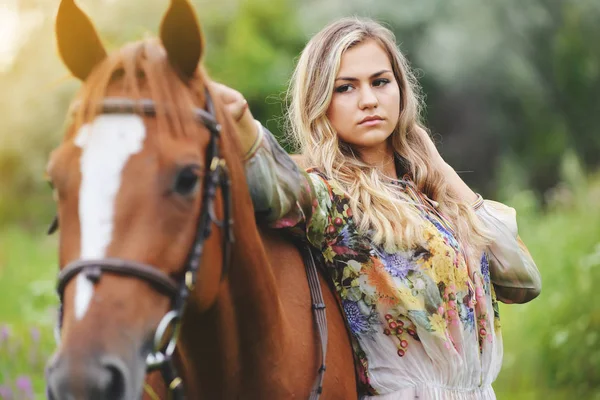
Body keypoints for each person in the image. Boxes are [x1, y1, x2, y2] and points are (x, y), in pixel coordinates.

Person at [213, 17, 541, 399]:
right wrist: (239, 120)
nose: (368, 99)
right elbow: (272, 183)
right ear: (320, 102)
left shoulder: (431, 196)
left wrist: (441, 169)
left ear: (401, 91)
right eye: (345, 88)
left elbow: (523, 281)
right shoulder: (332, 201)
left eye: (380, 82)